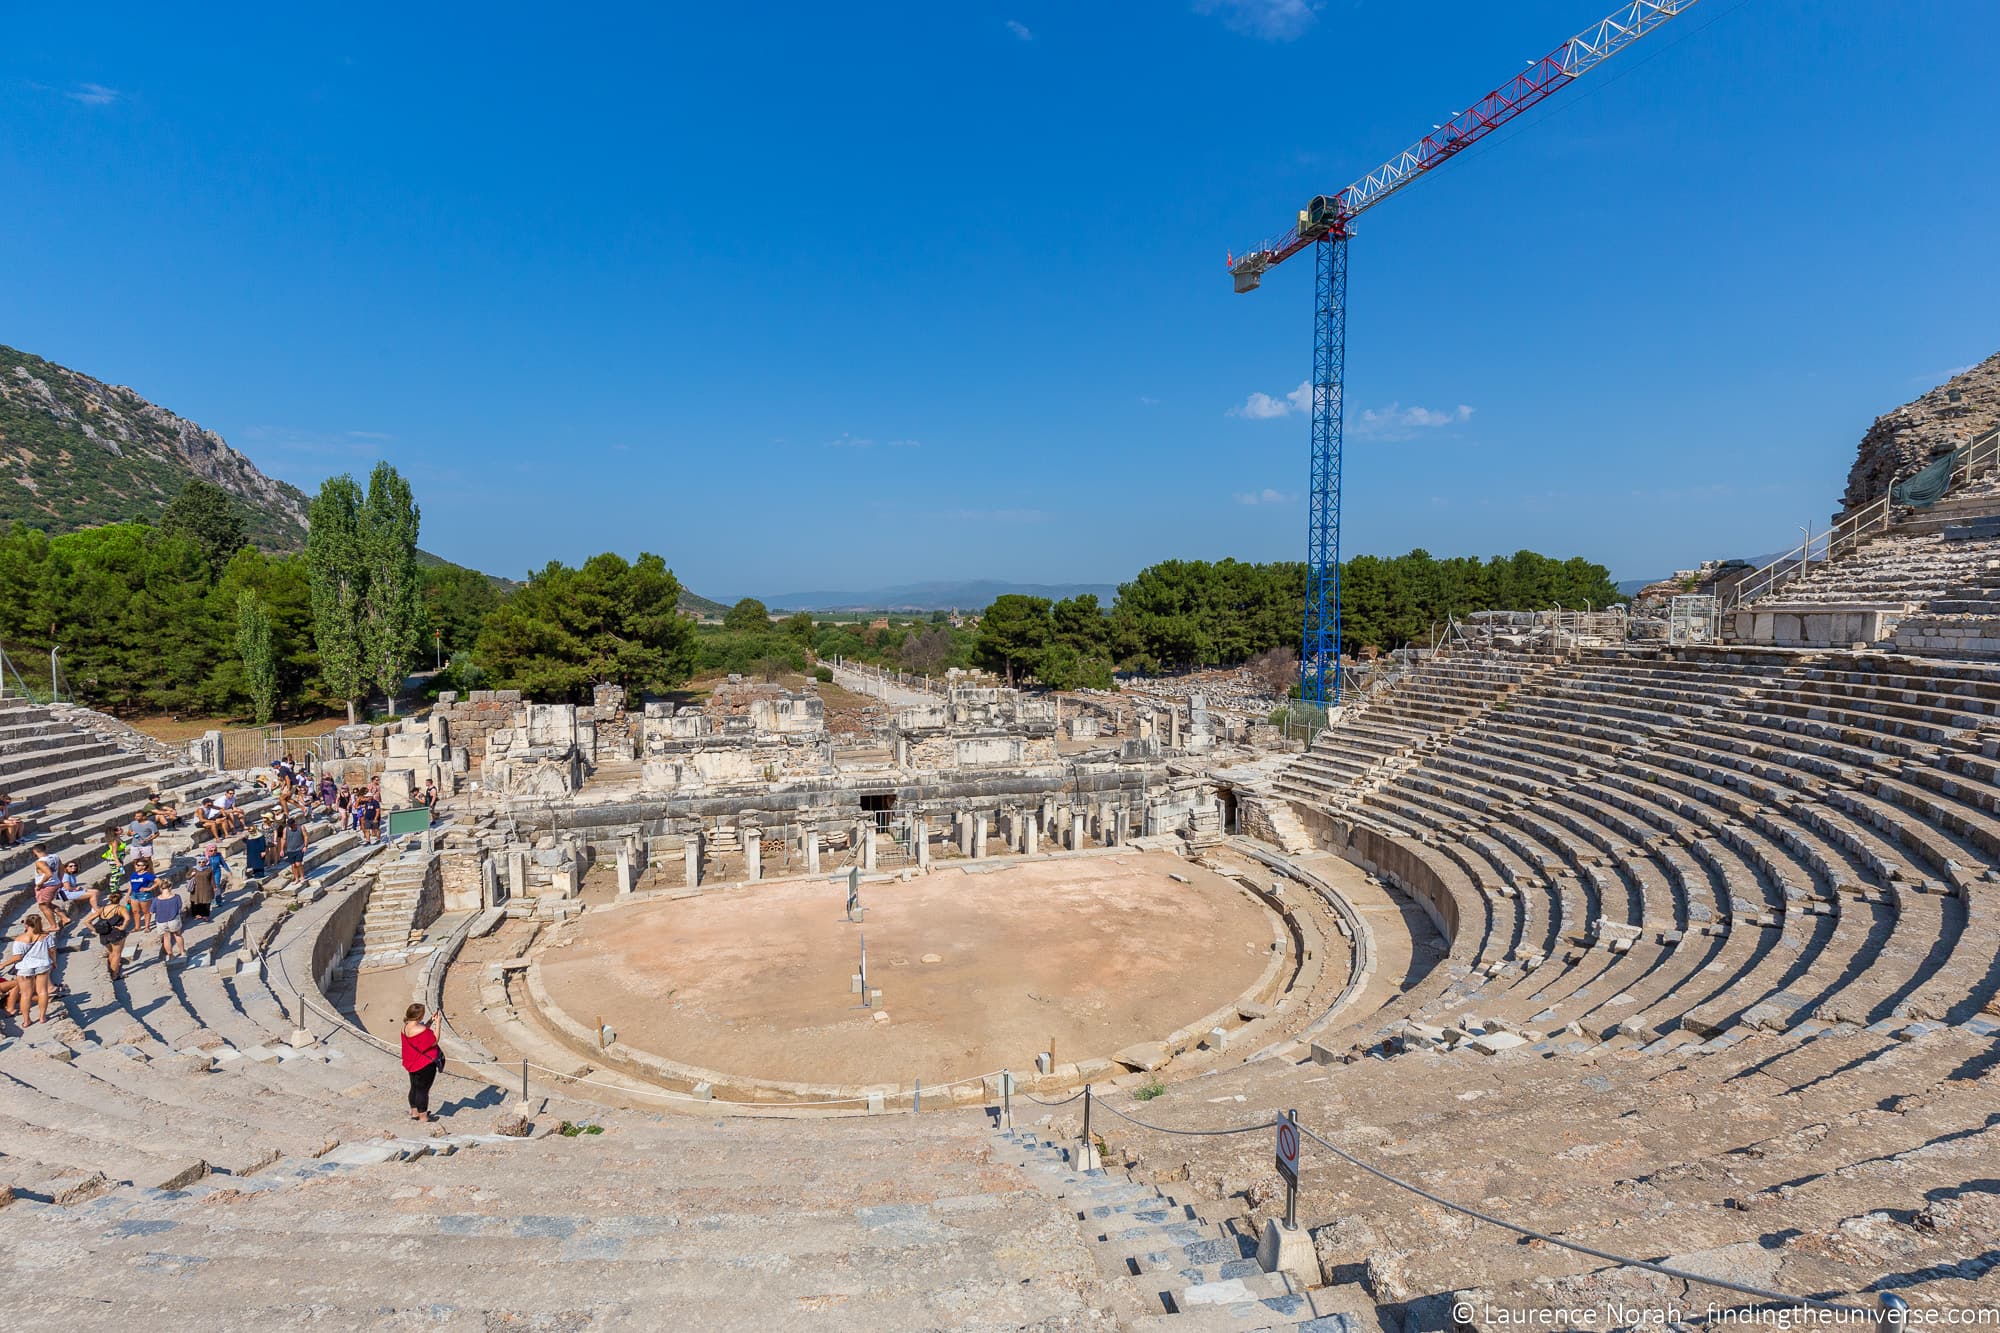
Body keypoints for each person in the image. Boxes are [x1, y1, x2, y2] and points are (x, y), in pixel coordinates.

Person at [7, 913, 55, 1027]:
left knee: (25, 995)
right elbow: (52, 951)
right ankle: (42, 1017)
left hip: (24, 968)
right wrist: (54, 962)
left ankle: (26, 1020)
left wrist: (3, 964)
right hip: (43, 965)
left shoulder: (19, 939)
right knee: (42, 991)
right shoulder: (46, 936)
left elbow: (17, 957)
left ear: (26, 925)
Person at [400, 1003, 444, 1123]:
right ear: (419, 1017)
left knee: (414, 1087)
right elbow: (434, 1040)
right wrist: (438, 1023)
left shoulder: (405, 1027)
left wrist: (430, 1021)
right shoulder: (421, 1030)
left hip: (411, 1063)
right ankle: (423, 1117)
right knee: (423, 1090)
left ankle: (414, 1112)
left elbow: (420, 1036)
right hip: (424, 1064)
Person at [89, 896, 134, 980]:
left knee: (111, 953)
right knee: (117, 954)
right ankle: (114, 975)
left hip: (104, 934)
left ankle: (110, 971)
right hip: (116, 933)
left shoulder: (101, 909)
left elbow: (86, 921)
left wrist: (95, 930)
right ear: (119, 899)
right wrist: (123, 927)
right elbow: (127, 919)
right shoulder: (120, 908)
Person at [152, 878, 187, 962]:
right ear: (170, 887)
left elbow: (152, 911)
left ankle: (170, 955)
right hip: (174, 919)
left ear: (160, 888)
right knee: (177, 935)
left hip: (161, 921)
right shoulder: (176, 897)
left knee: (166, 938)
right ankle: (182, 952)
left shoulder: (156, 899)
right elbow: (179, 907)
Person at [126, 856, 160, 932]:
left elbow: (158, 881)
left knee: (146, 911)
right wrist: (128, 895)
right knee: (135, 911)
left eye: (138, 865)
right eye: (136, 864)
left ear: (144, 867)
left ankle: (147, 927)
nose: (136, 866)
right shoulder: (134, 874)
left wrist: (150, 888)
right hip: (134, 894)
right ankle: (137, 927)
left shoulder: (148, 875)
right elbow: (130, 885)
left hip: (144, 895)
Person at [188, 853, 218, 921]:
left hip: (206, 889)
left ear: (206, 862)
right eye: (199, 862)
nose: (201, 863)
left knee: (206, 902)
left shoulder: (209, 869)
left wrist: (214, 887)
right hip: (196, 889)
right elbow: (187, 876)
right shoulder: (193, 869)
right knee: (197, 902)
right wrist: (191, 875)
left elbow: (212, 879)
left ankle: (205, 915)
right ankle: (197, 914)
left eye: (203, 862)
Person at [282, 818, 309, 887]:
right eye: (289, 825)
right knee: (293, 865)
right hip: (290, 850)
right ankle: (296, 878)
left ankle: (302, 877)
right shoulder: (286, 829)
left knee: (298, 863)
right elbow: (284, 839)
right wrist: (282, 849)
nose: (291, 826)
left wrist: (305, 846)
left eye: (292, 825)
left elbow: (305, 836)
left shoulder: (301, 827)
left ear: (294, 823)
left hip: (300, 848)